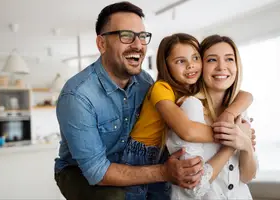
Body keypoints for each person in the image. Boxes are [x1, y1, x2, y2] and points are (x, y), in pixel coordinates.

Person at [54, 2, 206, 200]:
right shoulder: (77, 96)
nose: (138, 45)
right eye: (126, 36)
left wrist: (235, 131)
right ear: (102, 44)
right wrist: (163, 172)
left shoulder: (145, 82)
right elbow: (97, 172)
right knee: (115, 197)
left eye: (142, 36)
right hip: (80, 172)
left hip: (132, 163)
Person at [121, 33, 254, 199]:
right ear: (166, 66)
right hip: (141, 153)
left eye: (195, 58)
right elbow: (188, 131)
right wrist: (232, 136)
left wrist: (237, 128)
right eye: (180, 61)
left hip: (160, 152)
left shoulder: (189, 92)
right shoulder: (164, 90)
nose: (190, 66)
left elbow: (246, 95)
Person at [166, 35, 258, 199]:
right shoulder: (190, 107)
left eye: (229, 59)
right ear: (200, 65)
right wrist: (231, 146)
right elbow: (194, 186)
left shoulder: (238, 109)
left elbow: (246, 177)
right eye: (212, 60)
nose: (222, 67)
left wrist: (245, 145)